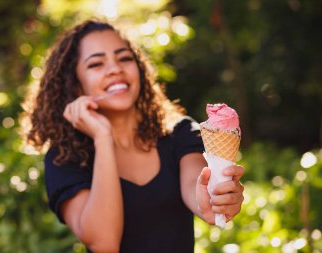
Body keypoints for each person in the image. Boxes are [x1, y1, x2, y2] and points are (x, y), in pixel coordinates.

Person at [24, 19, 245, 253]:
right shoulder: (64, 158)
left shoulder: (178, 133)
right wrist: (103, 138)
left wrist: (216, 197)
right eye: (96, 64)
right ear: (76, 86)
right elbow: (104, 243)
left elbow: (197, 189)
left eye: (125, 58)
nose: (115, 68)